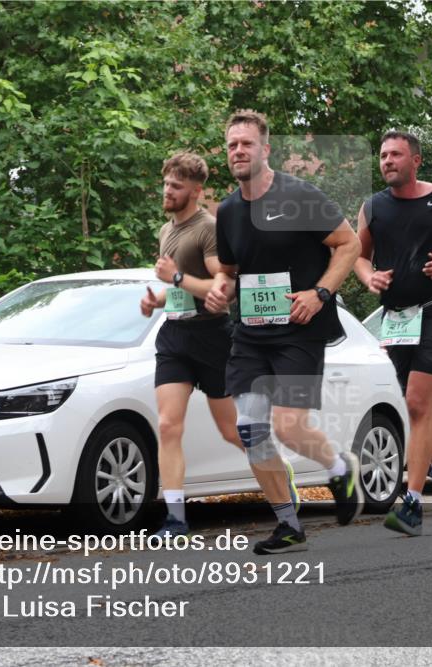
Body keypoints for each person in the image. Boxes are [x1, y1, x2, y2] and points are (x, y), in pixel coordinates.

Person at [204, 110, 363, 554]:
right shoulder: (228, 211)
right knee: (251, 430)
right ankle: (288, 524)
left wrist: (320, 293)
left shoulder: (299, 196)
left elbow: (349, 244)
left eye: (246, 144)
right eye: (232, 145)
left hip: (299, 329)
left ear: (265, 149)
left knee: (289, 428)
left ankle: (339, 468)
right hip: (251, 334)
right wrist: (220, 290)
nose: (238, 151)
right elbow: (230, 271)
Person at [140, 151, 297, 539]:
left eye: (176, 186)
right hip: (174, 336)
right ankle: (175, 518)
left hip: (213, 338)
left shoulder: (209, 228)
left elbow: (220, 285)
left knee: (233, 431)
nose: (167, 191)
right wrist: (158, 299)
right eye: (166, 183)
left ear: (196, 191)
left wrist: (176, 278)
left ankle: (282, 482)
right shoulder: (166, 231)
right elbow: (180, 288)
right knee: (168, 425)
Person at [354, 130, 432, 536]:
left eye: (396, 154)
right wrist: (369, 277)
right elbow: (358, 256)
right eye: (383, 155)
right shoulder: (372, 207)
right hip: (397, 318)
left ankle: (411, 503)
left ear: (416, 161)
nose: (387, 161)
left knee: (415, 402)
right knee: (418, 407)